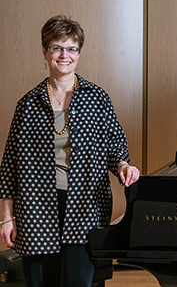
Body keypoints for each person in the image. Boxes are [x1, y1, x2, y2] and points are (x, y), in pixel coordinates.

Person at [0, 15, 141, 287]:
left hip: (85, 205)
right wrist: (6, 220)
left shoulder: (97, 97)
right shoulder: (28, 104)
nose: (65, 55)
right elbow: (9, 168)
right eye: (57, 47)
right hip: (35, 209)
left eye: (72, 48)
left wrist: (123, 166)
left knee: (79, 282)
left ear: (79, 53)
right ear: (45, 51)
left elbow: (115, 146)